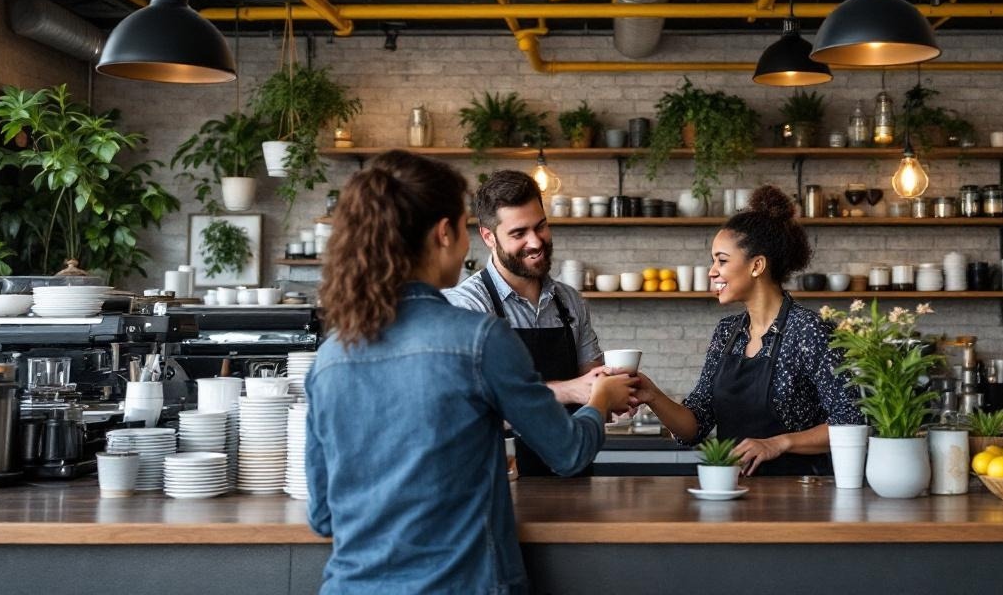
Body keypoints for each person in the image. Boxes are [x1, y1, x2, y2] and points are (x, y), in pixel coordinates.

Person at [306, 150, 634, 594]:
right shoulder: (479, 339)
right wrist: (598, 400)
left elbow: (324, 515)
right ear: (446, 233)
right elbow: (570, 452)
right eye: (463, 228)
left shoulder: (329, 358)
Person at [633, 185, 864, 476]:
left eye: (722, 260)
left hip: (802, 492)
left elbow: (851, 421)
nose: (712, 271)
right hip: (732, 489)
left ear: (757, 266)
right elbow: (695, 426)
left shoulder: (809, 330)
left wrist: (779, 443)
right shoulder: (727, 333)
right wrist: (652, 395)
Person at [445, 169, 622, 476]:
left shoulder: (570, 302)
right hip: (503, 480)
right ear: (488, 237)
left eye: (540, 226)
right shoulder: (468, 305)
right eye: (519, 234)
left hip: (574, 473)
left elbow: (592, 388)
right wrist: (570, 391)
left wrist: (612, 394)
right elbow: (473, 408)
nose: (536, 242)